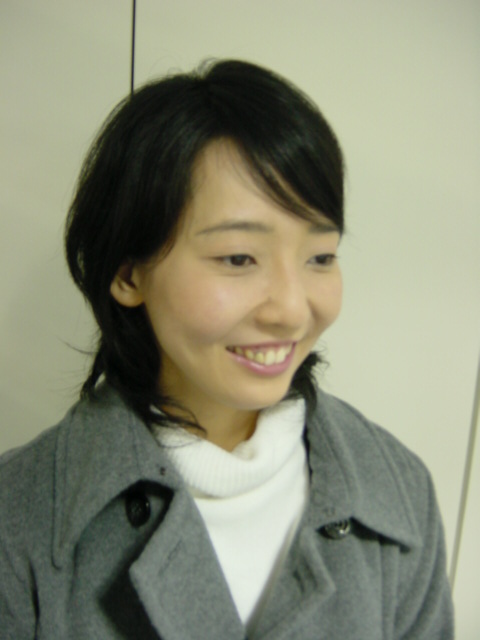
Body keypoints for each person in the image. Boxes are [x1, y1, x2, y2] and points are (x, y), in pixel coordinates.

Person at [0, 60, 453, 639]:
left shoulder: (398, 490)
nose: (291, 309)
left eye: (320, 257)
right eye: (239, 258)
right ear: (128, 273)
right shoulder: (19, 520)